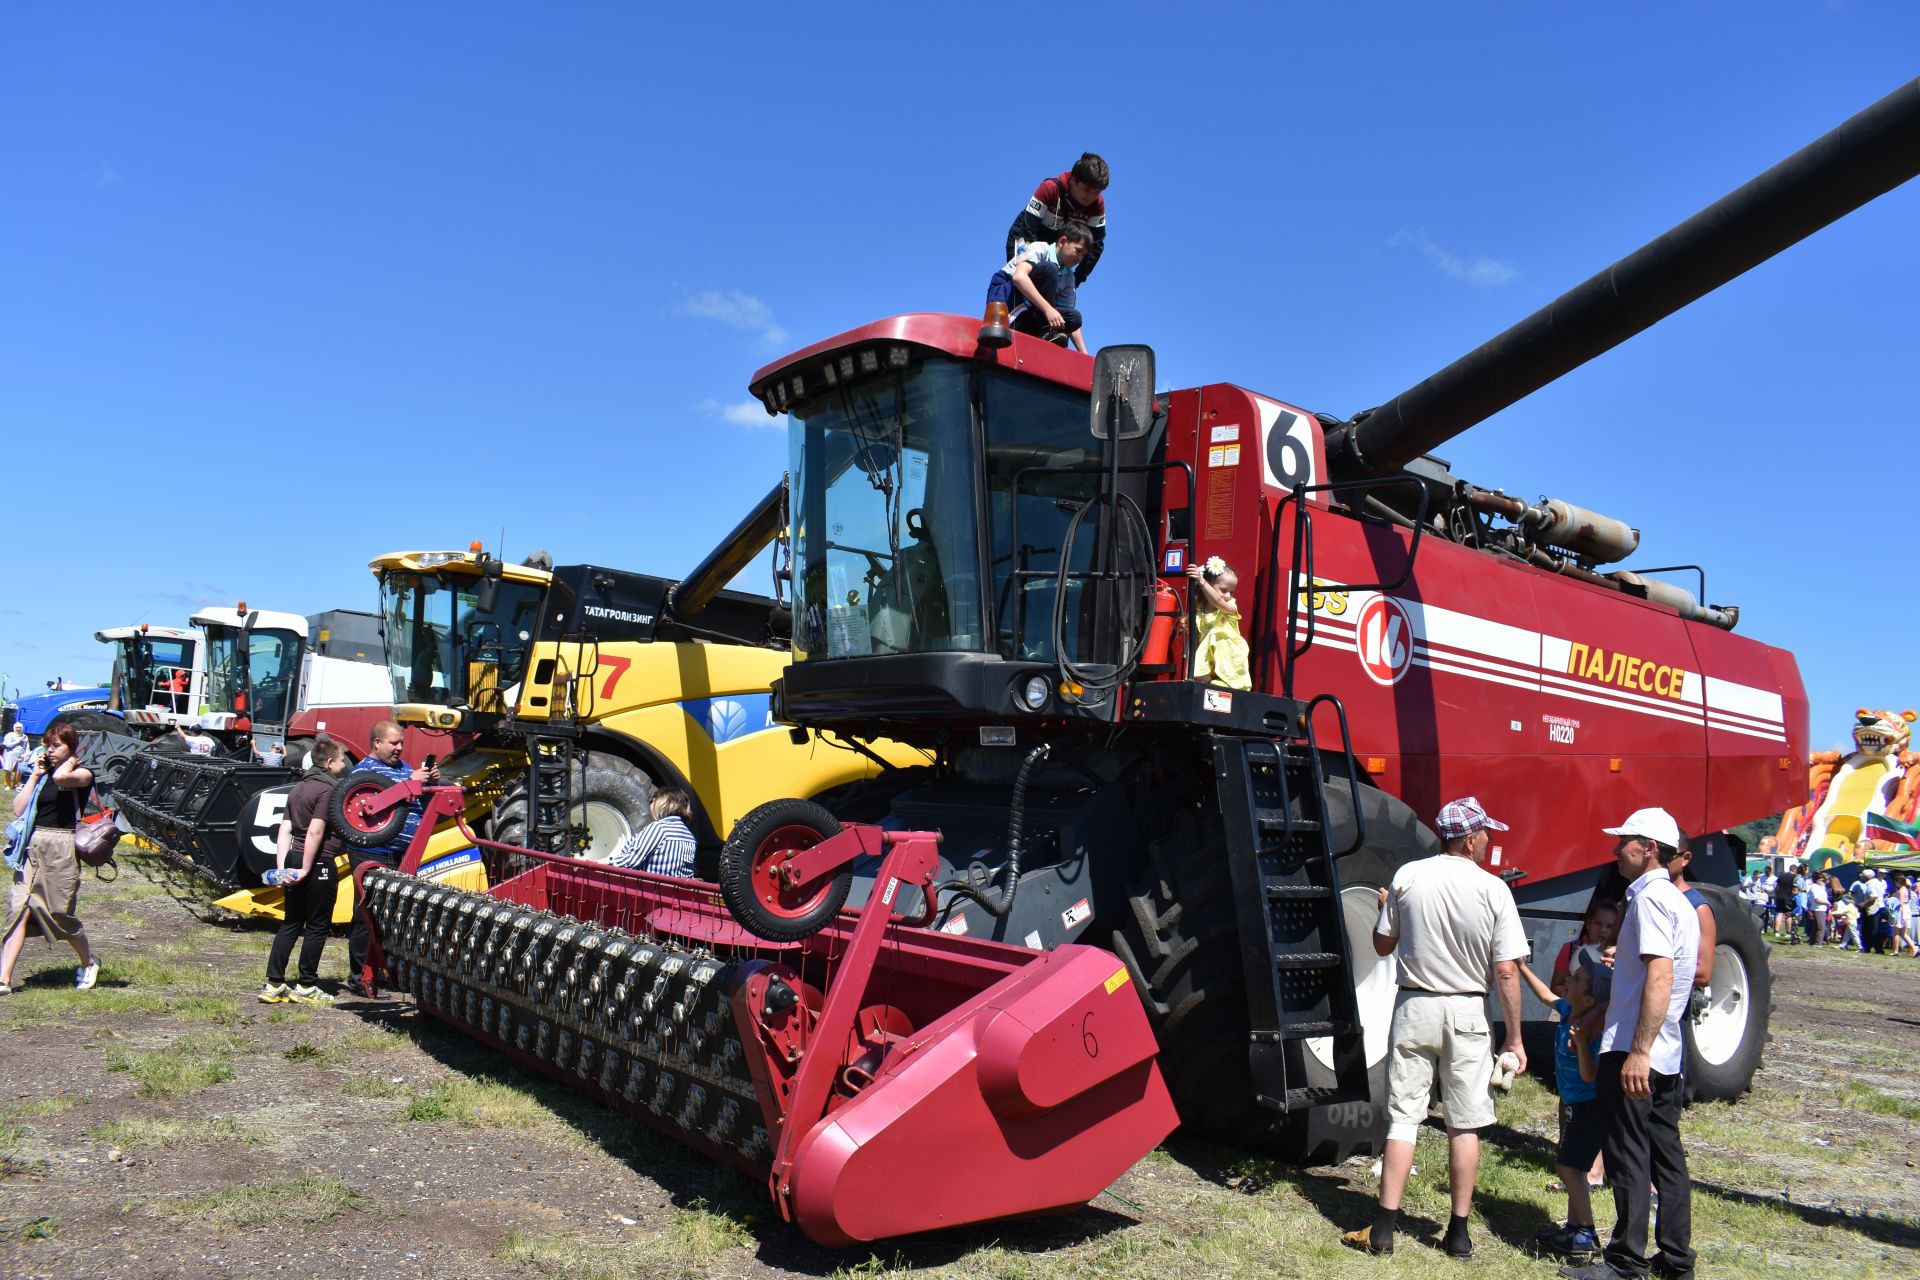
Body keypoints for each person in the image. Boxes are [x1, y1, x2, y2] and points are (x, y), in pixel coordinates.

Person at [1343, 796, 1528, 1260]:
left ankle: (1383, 1228)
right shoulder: (1493, 889)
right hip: (1466, 1008)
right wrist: (1515, 1036)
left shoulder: (1408, 877)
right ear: (1469, 839)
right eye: (1485, 833)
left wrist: (1392, 909)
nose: (1489, 840)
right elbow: (1506, 970)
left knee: (1404, 1117)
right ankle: (1459, 1234)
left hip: (1415, 1004)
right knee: (1464, 1123)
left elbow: (1382, 946)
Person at [1560, 807, 1699, 1280]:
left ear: (1651, 849)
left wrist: (1638, 1050)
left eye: (1626, 842)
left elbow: (1661, 974)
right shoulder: (1679, 899)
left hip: (1638, 1046)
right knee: (1666, 1155)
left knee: (1628, 1154)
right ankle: (1676, 1260)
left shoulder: (1650, 899)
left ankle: (1624, 1262)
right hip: (1667, 1048)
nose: (1617, 850)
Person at [1518, 946, 1614, 1262]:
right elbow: (1546, 994)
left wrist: (1583, 1045)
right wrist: (1521, 967)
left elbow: (1589, 1077)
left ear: (1589, 1000)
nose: (1569, 980)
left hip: (1589, 1106)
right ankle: (1573, 1229)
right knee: (1575, 1167)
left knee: (1566, 1166)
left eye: (1577, 979)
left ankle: (1586, 1231)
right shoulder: (1566, 1011)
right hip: (1576, 1105)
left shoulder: (1589, 1031)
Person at [0, 726, 99, 994]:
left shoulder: (81, 774)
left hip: (61, 847)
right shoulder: (44, 776)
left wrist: (66, 763)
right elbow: (19, 809)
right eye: (46, 746)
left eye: (55, 746)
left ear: (71, 747)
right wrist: (34, 775)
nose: (49, 751)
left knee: (58, 912)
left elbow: (65, 779)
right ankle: (4, 979)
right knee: (18, 910)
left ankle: (88, 962)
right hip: (32, 847)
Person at [344, 722, 438, 998]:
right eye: (393, 743)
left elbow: (417, 798)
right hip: (371, 852)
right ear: (376, 743)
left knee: (394, 916)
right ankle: (360, 977)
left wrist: (431, 782)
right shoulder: (364, 771)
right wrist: (411, 783)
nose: (399, 748)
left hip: (402, 853)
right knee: (367, 914)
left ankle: (388, 972)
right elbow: (367, 807)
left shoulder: (406, 768)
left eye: (401, 743)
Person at [258, 740, 349, 1006]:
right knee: (317, 925)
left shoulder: (298, 788)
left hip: (294, 856)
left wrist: (282, 867)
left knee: (291, 922)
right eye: (341, 760)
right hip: (318, 860)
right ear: (329, 763)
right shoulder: (327, 790)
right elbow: (315, 831)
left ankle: (274, 984)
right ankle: (306, 986)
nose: (343, 765)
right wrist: (307, 868)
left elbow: (284, 830)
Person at [1004, 152, 1109, 289]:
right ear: (1073, 179)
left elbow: (1095, 245)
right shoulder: (1049, 188)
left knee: (1053, 291)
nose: (1091, 197)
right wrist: (1025, 268)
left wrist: (1076, 279)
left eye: (1097, 192)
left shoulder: (1097, 204)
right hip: (1028, 237)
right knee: (1024, 285)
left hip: (1058, 246)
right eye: (1087, 190)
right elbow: (1027, 230)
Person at [985, 224, 1092, 350]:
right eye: (1078, 251)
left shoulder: (1069, 276)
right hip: (1008, 300)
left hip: (1032, 311)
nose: (1079, 258)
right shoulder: (1039, 248)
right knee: (1049, 269)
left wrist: (1085, 355)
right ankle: (1047, 330)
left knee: (1075, 318)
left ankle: (1044, 333)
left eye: (1083, 255)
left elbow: (1067, 315)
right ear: (1063, 241)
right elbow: (1019, 277)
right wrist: (1048, 310)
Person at [1186, 556, 1251, 691]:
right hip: (1210, 661)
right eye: (1224, 590)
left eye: (1231, 592)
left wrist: (1201, 581)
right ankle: (1206, 679)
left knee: (1215, 633)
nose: (1228, 595)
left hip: (1229, 657)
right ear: (1210, 584)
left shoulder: (1230, 606)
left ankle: (1225, 681)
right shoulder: (1199, 609)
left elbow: (1218, 601)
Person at [608, 788, 698, 877]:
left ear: (663, 804)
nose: (650, 805)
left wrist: (604, 862)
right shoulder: (690, 837)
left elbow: (631, 860)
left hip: (650, 888)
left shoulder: (660, 828)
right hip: (673, 890)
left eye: (652, 801)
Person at [1, 722, 27, 786]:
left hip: (20, 755)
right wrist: (18, 741)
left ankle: (15, 785)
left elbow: (27, 747)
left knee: (19, 771)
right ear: (14, 728)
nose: (18, 729)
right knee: (8, 770)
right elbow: (7, 744)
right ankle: (7, 785)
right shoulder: (9, 735)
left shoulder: (24, 736)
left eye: (20, 728)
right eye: (17, 727)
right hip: (10, 754)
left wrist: (26, 754)